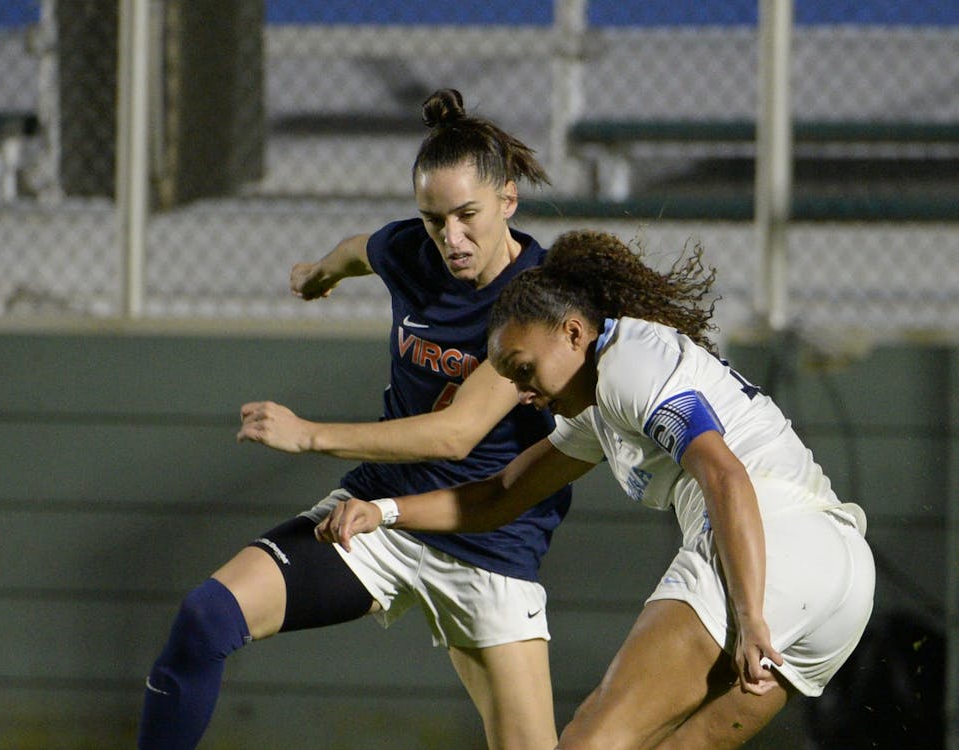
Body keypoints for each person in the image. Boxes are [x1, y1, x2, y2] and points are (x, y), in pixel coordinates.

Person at [319, 229, 876, 750]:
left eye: (523, 369)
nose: (520, 392)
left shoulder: (627, 364)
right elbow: (498, 496)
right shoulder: (598, 407)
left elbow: (725, 475)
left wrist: (751, 614)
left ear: (572, 333)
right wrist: (385, 511)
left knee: (590, 740)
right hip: (841, 579)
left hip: (771, 548)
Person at [137, 89, 572, 750]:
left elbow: (456, 434)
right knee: (206, 618)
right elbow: (361, 250)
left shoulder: (537, 298)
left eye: (467, 216)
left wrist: (308, 434)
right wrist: (319, 274)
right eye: (433, 220)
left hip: (487, 544)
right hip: (374, 515)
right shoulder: (412, 250)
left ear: (508, 200)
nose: (451, 239)